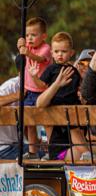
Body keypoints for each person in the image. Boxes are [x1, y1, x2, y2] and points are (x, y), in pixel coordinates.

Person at [32, 32, 87, 161]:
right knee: (72, 129)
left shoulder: (74, 70)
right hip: (57, 103)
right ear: (51, 52)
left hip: (72, 103)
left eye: (63, 51)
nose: (60, 54)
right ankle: (85, 152)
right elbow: (41, 85)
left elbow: (80, 87)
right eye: (56, 51)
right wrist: (34, 76)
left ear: (71, 53)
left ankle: (85, 152)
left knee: (76, 128)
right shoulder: (51, 69)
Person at [16, 17, 52, 158]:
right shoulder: (28, 47)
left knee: (47, 122)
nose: (29, 38)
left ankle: (50, 151)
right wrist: (20, 45)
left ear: (43, 36)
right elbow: (22, 53)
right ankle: (33, 151)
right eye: (27, 35)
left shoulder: (46, 48)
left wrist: (27, 52)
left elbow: (40, 59)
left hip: (43, 92)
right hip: (29, 91)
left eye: (33, 35)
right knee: (29, 122)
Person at [0, 73, 27, 160]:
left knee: (49, 153)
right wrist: (18, 95)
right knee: (51, 155)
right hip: (4, 148)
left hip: (18, 145)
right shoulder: (10, 86)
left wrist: (36, 141)